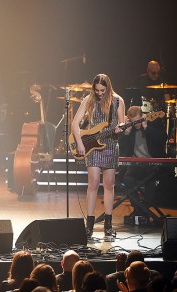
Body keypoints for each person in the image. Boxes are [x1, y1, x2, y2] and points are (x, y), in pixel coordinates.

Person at [71, 73, 125, 241]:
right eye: (97, 90)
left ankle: (108, 226)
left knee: (109, 185)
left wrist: (120, 128)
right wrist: (80, 143)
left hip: (110, 145)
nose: (100, 93)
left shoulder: (118, 101)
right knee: (93, 183)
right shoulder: (89, 99)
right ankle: (89, 226)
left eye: (102, 90)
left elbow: (122, 122)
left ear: (108, 88)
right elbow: (74, 123)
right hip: (92, 145)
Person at [119, 106, 168, 221]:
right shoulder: (129, 130)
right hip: (136, 165)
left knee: (151, 180)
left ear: (142, 117)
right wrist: (126, 133)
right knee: (127, 179)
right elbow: (123, 150)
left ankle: (143, 208)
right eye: (133, 122)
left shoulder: (153, 124)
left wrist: (146, 127)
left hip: (153, 164)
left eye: (138, 121)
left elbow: (163, 138)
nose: (137, 124)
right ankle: (139, 208)